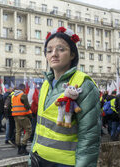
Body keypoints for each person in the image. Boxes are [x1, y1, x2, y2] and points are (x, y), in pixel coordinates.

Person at [31, 27, 101, 167]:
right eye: (49, 50)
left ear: (72, 55)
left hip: (65, 163)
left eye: (61, 49)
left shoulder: (84, 84)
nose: (54, 54)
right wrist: (32, 154)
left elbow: (89, 136)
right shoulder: (45, 84)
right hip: (39, 159)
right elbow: (40, 126)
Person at [11, 83, 32, 155]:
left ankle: (19, 148)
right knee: (28, 130)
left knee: (18, 131)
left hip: (15, 116)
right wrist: (30, 106)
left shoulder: (13, 96)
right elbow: (27, 106)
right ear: (23, 89)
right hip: (23, 116)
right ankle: (23, 146)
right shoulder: (23, 95)